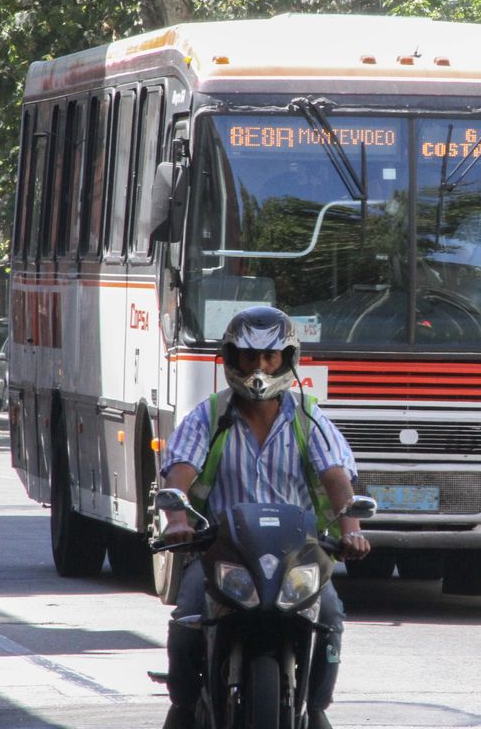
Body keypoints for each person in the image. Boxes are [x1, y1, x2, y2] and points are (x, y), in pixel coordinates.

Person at [158, 306, 370, 729]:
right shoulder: (210, 415)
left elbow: (336, 477)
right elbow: (180, 470)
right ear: (231, 359)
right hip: (223, 550)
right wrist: (177, 517)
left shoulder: (309, 418)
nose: (259, 367)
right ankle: (185, 703)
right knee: (186, 617)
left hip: (296, 555)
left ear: (287, 360)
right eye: (249, 357)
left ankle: (315, 703)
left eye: (270, 357)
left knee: (328, 614)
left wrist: (351, 528)